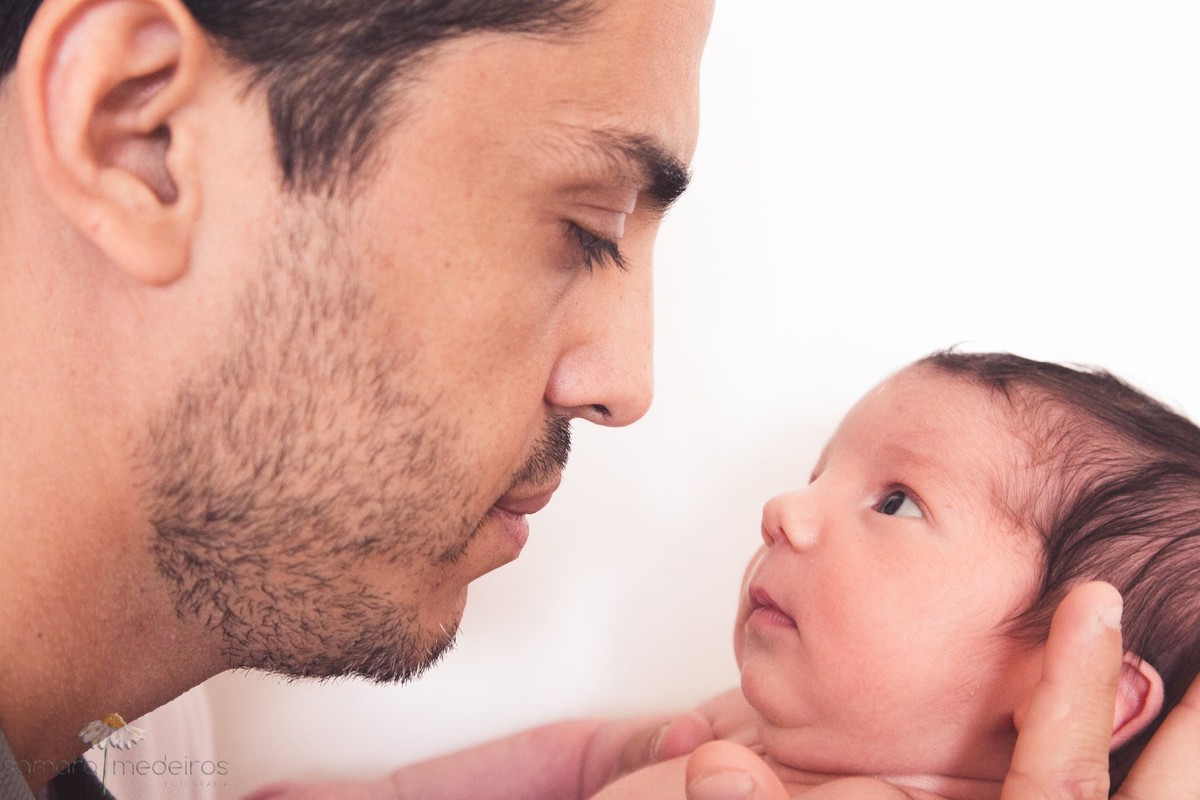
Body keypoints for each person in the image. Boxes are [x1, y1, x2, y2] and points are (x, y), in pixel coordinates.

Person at [0, 0, 1194, 798]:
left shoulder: (138, 741)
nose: (631, 384)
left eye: (893, 500)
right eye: (582, 227)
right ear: (141, 131)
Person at [248, 351, 1200, 800]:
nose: (787, 510)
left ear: (1073, 686)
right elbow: (574, 761)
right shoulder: (736, 728)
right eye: (822, 471)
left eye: (896, 502)